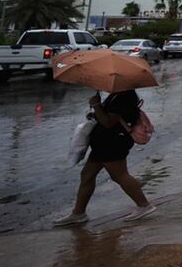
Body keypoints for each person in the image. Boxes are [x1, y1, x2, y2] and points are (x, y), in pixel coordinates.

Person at [53, 90, 156, 226]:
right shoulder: (117, 94)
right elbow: (107, 116)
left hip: (113, 142)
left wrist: (96, 104)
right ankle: (78, 213)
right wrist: (96, 111)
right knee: (87, 175)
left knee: (120, 175)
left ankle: (144, 205)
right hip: (103, 143)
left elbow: (108, 122)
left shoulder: (124, 96)